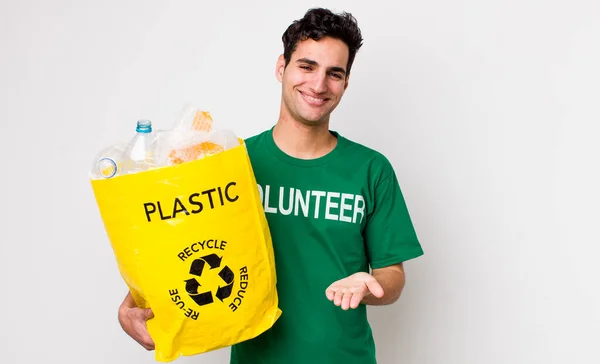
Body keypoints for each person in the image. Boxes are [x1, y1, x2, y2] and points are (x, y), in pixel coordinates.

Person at [118, 7, 424, 364]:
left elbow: (392, 277)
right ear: (282, 67)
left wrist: (369, 285)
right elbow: (182, 246)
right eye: (307, 66)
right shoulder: (233, 163)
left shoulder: (372, 170)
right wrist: (132, 302)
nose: (319, 85)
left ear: (345, 82)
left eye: (334, 74)